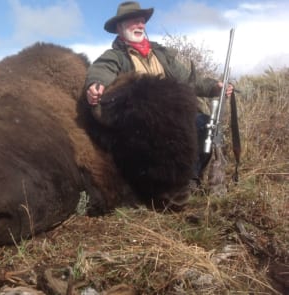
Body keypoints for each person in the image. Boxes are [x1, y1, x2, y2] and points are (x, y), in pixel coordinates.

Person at [85, 1, 233, 186]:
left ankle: (191, 178)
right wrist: (96, 84)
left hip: (174, 116)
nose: (140, 25)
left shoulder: (161, 54)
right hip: (143, 121)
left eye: (142, 21)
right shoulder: (114, 56)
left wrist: (214, 87)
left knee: (204, 125)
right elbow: (101, 70)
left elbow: (188, 80)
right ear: (119, 27)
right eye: (134, 21)